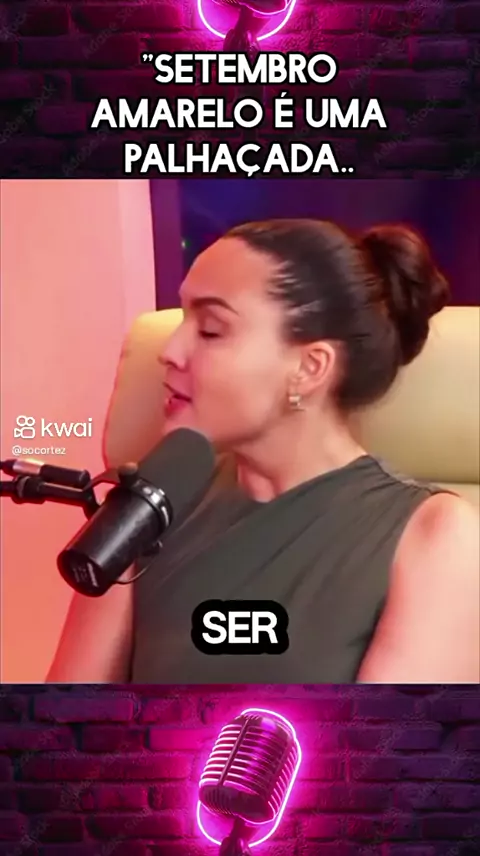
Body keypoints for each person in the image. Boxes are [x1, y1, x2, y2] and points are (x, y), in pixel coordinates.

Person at [47, 219, 480, 684]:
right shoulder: (145, 504)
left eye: (211, 330)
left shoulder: (437, 537)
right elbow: (65, 720)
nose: (170, 351)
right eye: (182, 320)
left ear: (309, 368)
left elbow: (393, 733)